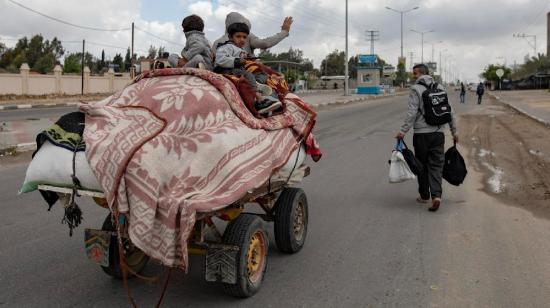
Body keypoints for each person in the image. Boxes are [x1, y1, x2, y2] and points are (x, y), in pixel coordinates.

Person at [396, 64, 458, 212]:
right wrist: (454, 131)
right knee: (436, 165)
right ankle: (436, 196)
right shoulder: (440, 87)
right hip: (438, 134)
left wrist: (403, 131)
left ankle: (424, 195)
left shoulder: (415, 89)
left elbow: (412, 113)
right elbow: (449, 110)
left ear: (420, 73)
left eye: (414, 74)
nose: (413, 76)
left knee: (422, 165)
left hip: (421, 135)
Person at [215, 22, 282, 114]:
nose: (242, 39)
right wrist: (237, 61)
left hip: (239, 71)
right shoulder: (226, 47)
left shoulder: (241, 50)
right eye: (238, 36)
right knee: (248, 75)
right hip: (226, 70)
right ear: (230, 37)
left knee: (260, 74)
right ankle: (259, 99)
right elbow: (220, 59)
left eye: (244, 37)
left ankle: (263, 90)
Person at [212, 12, 293, 55]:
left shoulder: (216, 42)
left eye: (244, 37)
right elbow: (264, 44)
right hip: (245, 73)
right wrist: (284, 32)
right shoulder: (247, 35)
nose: (242, 39)